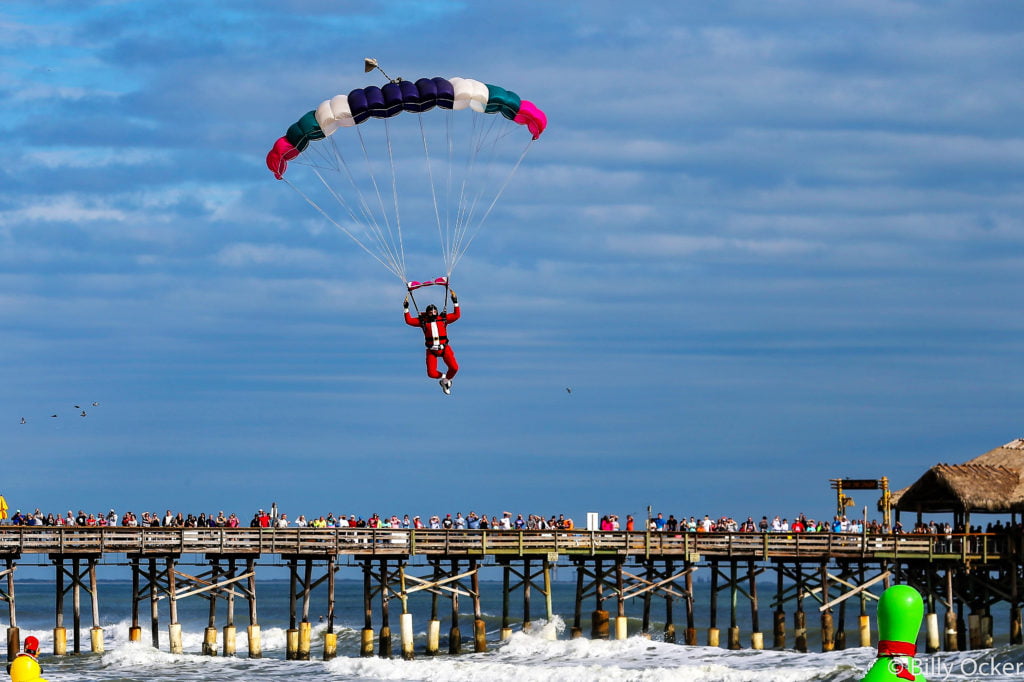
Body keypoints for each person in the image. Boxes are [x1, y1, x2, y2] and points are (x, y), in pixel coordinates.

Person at [404, 290, 460, 394]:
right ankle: (444, 379)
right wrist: (406, 308)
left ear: (437, 312)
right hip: (431, 351)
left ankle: (446, 382)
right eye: (430, 312)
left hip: (444, 348)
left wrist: (455, 302)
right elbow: (409, 321)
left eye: (434, 312)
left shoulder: (443, 319)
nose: (432, 314)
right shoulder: (423, 321)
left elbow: (456, 315)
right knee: (431, 373)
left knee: (454, 368)